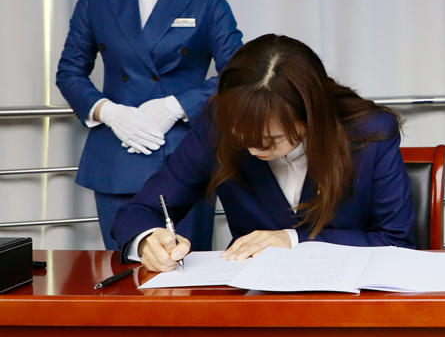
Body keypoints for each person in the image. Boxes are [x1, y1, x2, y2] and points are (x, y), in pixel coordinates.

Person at [112, 34, 415, 272]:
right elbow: (139, 211)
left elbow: (395, 241)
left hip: (354, 300)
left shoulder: (369, 133)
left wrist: (293, 240)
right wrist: (147, 240)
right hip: (253, 298)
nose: (253, 148)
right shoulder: (217, 125)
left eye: (271, 139)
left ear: (311, 116)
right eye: (240, 136)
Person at [56, 0, 243, 250]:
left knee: (186, 269)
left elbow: (238, 73)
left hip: (185, 152)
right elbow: (69, 71)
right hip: (117, 153)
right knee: (124, 268)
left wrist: (176, 106)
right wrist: (108, 112)